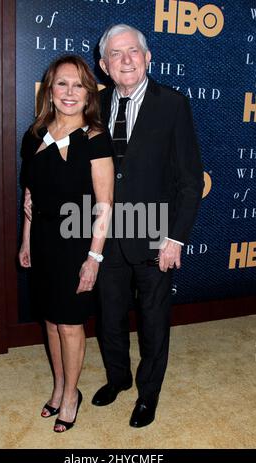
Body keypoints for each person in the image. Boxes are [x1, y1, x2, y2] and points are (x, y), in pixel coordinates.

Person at [91, 24, 204, 428]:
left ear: (147, 56)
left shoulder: (172, 104)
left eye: (133, 51)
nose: (126, 60)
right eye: (116, 54)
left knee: (154, 320)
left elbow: (190, 179)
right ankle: (117, 379)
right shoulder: (94, 106)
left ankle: (147, 394)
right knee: (109, 317)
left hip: (156, 235)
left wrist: (175, 238)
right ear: (103, 65)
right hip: (105, 235)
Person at [19, 55, 114, 433]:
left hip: (77, 241)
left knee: (71, 324)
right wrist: (26, 241)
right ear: (50, 89)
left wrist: (94, 257)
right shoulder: (34, 134)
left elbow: (105, 206)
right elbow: (30, 195)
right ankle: (58, 386)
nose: (70, 92)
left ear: (88, 92)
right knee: (51, 321)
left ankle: (71, 394)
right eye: (62, 83)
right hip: (41, 240)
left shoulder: (95, 137)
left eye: (78, 85)